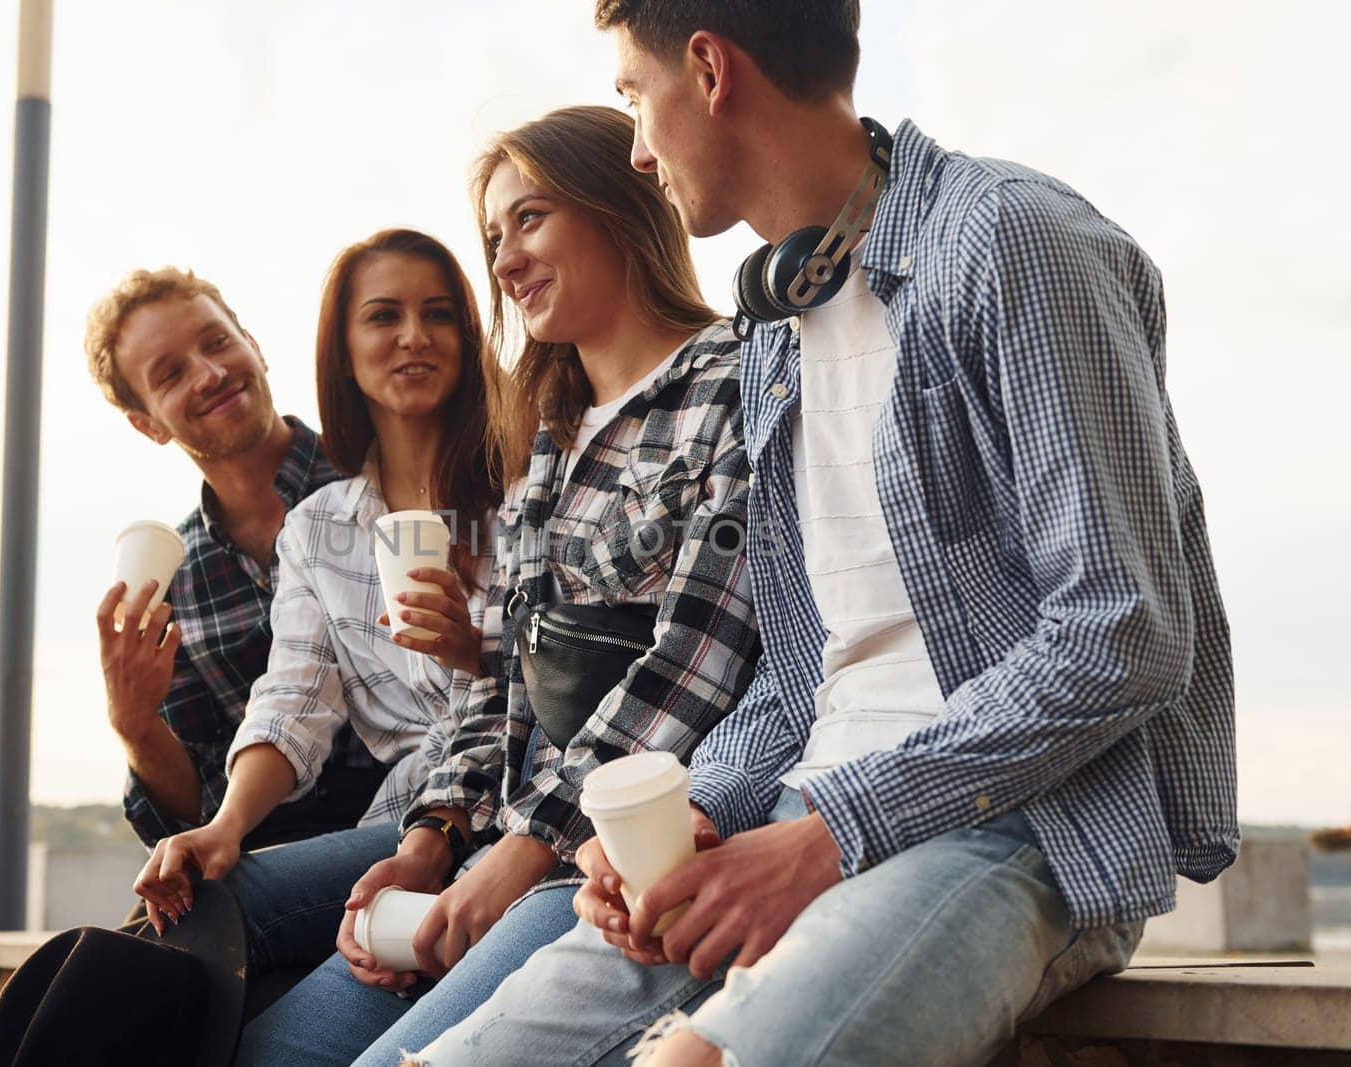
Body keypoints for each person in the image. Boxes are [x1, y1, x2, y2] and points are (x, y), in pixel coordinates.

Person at [411, 3, 1236, 1065]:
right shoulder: (774, 334)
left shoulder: (1013, 242)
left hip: (1023, 823)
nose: (635, 146)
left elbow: (1121, 633)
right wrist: (692, 817)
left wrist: (832, 832)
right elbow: (803, 683)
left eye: (632, 97)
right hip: (800, 816)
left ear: (707, 69)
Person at [230, 105, 761, 1067]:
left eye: (531, 219)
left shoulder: (735, 381)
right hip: (503, 840)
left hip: (619, 858)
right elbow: (502, 687)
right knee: (272, 1050)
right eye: (494, 236)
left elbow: (697, 655)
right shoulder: (551, 438)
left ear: (622, 204)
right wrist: (433, 833)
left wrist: (517, 854)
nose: (506, 262)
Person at [131, 228, 498, 922]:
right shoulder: (317, 528)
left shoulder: (528, 477)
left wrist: (469, 650)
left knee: (216, 930)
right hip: (403, 823)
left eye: (439, 313)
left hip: (512, 810)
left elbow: (565, 675)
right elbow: (293, 699)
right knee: (164, 936)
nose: (414, 335)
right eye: (385, 316)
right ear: (344, 350)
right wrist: (227, 824)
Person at [86, 268, 385, 855]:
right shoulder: (170, 577)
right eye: (171, 373)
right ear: (147, 424)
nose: (210, 373)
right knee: (101, 950)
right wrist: (135, 725)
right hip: (262, 851)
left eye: (217, 342)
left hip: (410, 829)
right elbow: (193, 809)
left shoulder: (385, 485)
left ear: (255, 346)